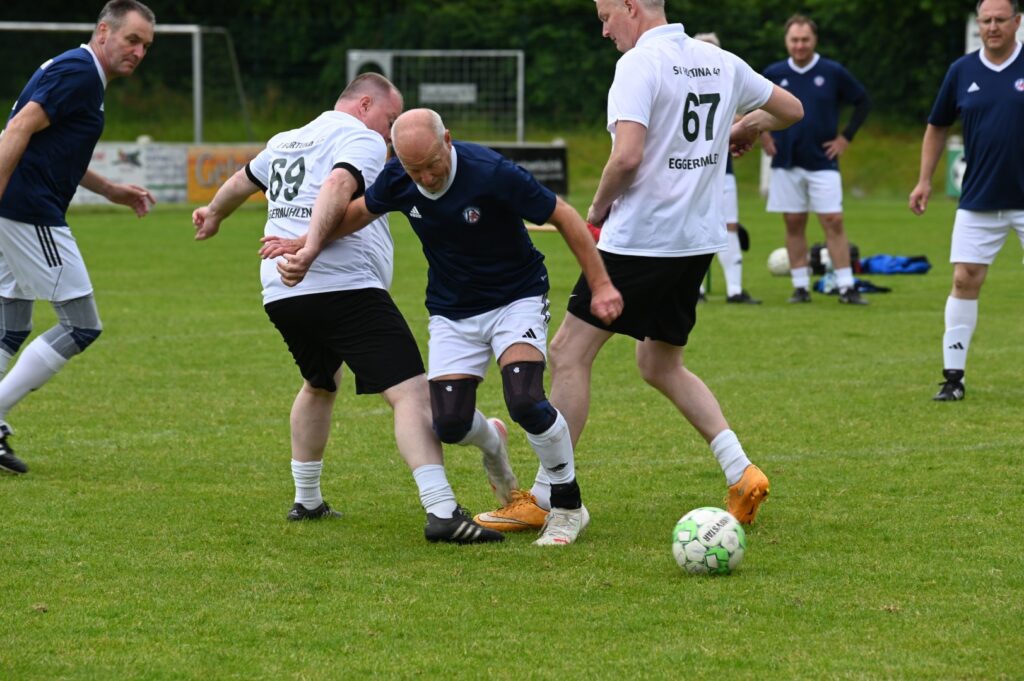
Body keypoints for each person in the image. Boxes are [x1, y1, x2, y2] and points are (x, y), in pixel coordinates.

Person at [265, 107, 623, 545]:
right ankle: (491, 441)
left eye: (433, 165)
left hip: (517, 297)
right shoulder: (400, 178)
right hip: (452, 311)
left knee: (526, 398)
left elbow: (565, 217)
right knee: (448, 425)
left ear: (448, 140)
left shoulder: (491, 172)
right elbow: (357, 213)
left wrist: (601, 284)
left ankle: (567, 506)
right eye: (415, 170)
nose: (427, 178)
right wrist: (308, 243)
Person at [192, 76, 504, 544]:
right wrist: (313, 248)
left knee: (320, 383)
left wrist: (214, 213)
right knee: (412, 394)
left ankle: (308, 499)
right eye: (390, 119)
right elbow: (339, 182)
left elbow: (241, 181)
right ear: (364, 104)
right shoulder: (359, 137)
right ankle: (442, 512)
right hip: (342, 285)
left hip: (281, 291)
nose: (391, 132)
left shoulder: (287, 139)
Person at [530, 0, 803, 528]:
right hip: (696, 241)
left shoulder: (638, 64)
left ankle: (547, 494)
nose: (605, 30)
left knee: (567, 352)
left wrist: (596, 209)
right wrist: (746, 125)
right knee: (659, 364)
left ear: (632, 6)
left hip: (641, 239)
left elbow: (627, 156)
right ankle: (741, 471)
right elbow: (792, 110)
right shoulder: (717, 59)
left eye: (606, 16)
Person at [0, 0, 157, 475]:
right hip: (28, 211)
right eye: (132, 40)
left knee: (10, 327)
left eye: (146, 46)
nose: (139, 51)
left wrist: (110, 188)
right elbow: (20, 126)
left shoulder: (79, 72)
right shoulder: (81, 72)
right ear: (103, 31)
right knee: (81, 325)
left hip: (18, 209)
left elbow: (51, 144)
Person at [909, 0, 1024, 402]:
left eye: (1000, 20)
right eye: (985, 20)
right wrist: (925, 180)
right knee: (963, 279)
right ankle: (953, 378)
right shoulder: (962, 71)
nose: (992, 27)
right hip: (978, 197)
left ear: (1017, 21)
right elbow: (937, 126)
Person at [761, 14, 871, 305]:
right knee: (794, 222)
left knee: (833, 220)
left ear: (814, 40)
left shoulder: (832, 71)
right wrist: (763, 135)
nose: (799, 46)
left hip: (823, 161)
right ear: (787, 41)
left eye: (805, 40)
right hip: (786, 161)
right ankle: (800, 287)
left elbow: (862, 101)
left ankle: (847, 286)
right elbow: (750, 104)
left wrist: (845, 138)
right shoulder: (774, 72)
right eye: (794, 40)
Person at [695, 31, 759, 304]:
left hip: (723, 171)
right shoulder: (680, 86)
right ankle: (693, 290)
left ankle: (735, 289)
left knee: (730, 225)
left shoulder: (729, 86)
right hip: (689, 173)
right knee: (694, 226)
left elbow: (744, 117)